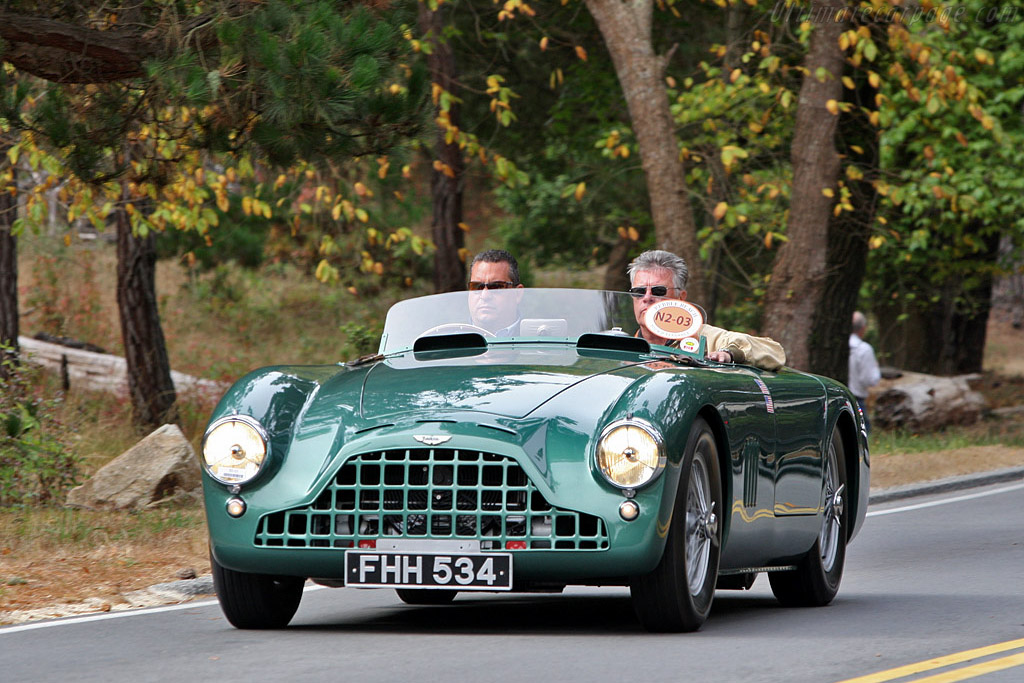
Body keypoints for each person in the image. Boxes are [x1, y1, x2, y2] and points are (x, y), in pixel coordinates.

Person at [628, 249, 786, 371]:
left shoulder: (703, 336)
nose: (647, 298)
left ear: (680, 298)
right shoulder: (621, 345)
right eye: (639, 292)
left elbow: (774, 351)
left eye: (658, 291)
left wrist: (729, 354)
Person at [467, 249, 524, 336]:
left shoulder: (539, 341)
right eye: (477, 286)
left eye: (496, 287)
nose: (485, 296)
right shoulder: (450, 341)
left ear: (518, 293)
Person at [849, 310, 881, 433]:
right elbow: (870, 380)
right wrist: (876, 369)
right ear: (863, 329)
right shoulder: (864, 349)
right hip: (857, 402)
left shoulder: (836, 346)